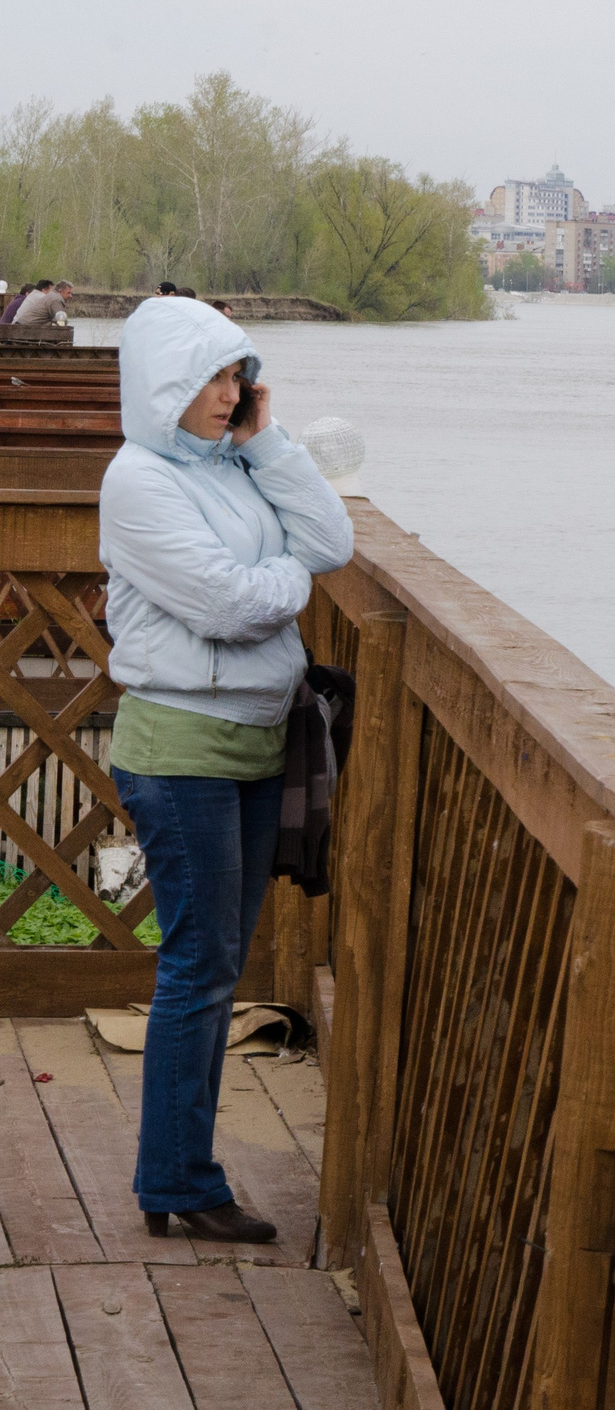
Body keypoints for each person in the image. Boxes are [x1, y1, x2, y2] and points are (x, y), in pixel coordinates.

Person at [100, 298, 354, 1243]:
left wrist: (269, 441)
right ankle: (180, 1180)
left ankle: (178, 1174)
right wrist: (290, 584)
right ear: (162, 382)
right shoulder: (139, 480)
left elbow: (331, 543)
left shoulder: (234, 461)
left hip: (253, 743)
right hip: (181, 749)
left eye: (236, 375)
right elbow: (224, 606)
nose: (228, 392)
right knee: (200, 967)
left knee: (217, 965)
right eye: (209, 376)